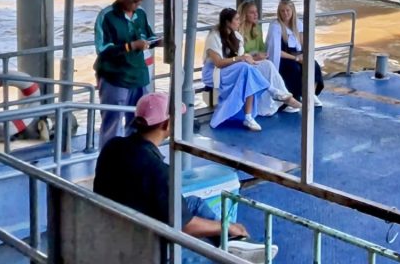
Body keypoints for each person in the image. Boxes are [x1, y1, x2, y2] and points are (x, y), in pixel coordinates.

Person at [94, 93, 277, 263]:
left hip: (111, 222)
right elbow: (185, 226)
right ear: (166, 125)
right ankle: (231, 243)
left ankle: (234, 244)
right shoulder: (158, 171)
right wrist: (226, 225)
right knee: (201, 235)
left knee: (194, 203)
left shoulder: (113, 147)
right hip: (143, 239)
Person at [203, 8, 300, 132]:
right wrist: (241, 58)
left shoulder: (237, 36)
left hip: (235, 69)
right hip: (216, 72)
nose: (239, 22)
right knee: (245, 68)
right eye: (237, 19)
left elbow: (243, 59)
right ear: (227, 22)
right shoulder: (214, 37)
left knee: (266, 65)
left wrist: (253, 59)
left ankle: (252, 114)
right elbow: (219, 63)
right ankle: (272, 91)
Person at [95, 0, 158, 144]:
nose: (137, 4)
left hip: (139, 76)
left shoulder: (141, 14)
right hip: (115, 77)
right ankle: (109, 161)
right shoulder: (106, 16)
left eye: (141, 0)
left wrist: (157, 42)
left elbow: (148, 37)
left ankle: (133, 158)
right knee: (112, 123)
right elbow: (102, 49)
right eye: (134, 0)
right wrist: (130, 46)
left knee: (139, 121)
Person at [266, 0, 324, 106]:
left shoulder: (298, 24)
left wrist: (303, 56)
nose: (285, 13)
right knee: (294, 68)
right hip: (284, 58)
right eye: (282, 11)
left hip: (298, 55)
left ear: (292, 11)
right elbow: (276, 51)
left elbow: (304, 45)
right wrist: (296, 59)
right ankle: (294, 98)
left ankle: (310, 94)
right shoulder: (276, 26)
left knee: (313, 65)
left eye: (287, 10)